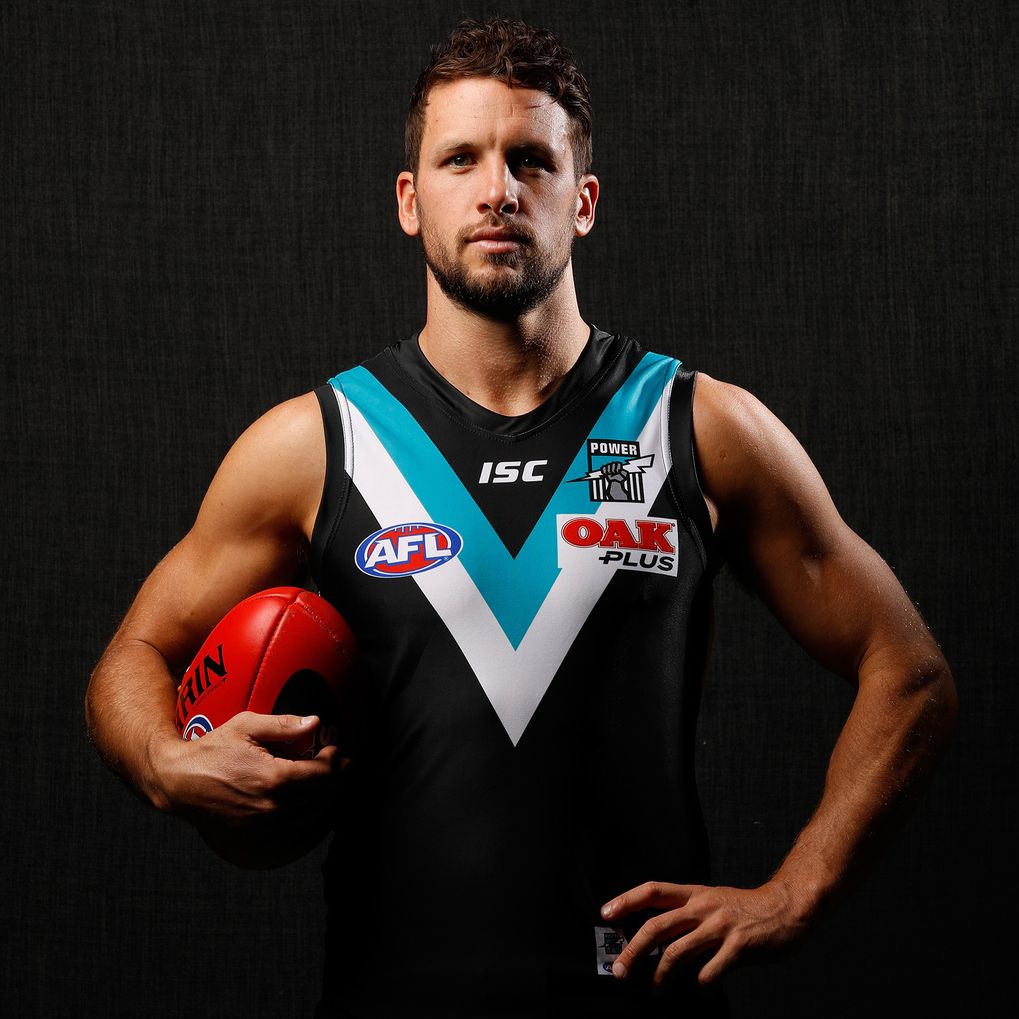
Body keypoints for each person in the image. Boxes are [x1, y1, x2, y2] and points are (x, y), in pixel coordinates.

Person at [84, 16, 957, 1019]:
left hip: (639, 995)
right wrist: (167, 760)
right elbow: (131, 657)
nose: (496, 189)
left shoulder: (697, 426)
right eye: (459, 158)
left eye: (530, 160)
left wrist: (795, 891)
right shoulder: (317, 444)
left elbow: (909, 672)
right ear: (409, 200)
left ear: (581, 201)